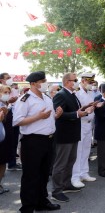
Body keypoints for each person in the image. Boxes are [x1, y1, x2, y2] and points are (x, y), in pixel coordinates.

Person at [12, 71, 63, 212]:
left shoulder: (46, 98)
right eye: (42, 80)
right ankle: (27, 207)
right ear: (33, 84)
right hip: (32, 142)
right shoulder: (25, 99)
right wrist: (38, 117)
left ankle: (41, 202)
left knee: (44, 174)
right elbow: (17, 121)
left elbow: (49, 118)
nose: (45, 83)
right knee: (31, 175)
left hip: (48, 140)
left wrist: (56, 116)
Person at [51, 73, 94, 203]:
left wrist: (85, 109)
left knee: (71, 160)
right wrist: (77, 114)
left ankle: (66, 184)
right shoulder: (61, 94)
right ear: (67, 82)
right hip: (64, 134)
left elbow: (75, 110)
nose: (76, 82)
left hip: (74, 133)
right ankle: (56, 191)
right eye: (74, 80)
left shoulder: (72, 94)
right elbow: (58, 114)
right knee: (61, 164)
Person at [71, 73, 97, 189]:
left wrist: (94, 106)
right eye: (89, 82)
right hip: (80, 123)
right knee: (78, 151)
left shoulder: (90, 92)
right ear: (83, 81)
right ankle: (75, 177)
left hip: (88, 124)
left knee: (86, 149)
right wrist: (87, 107)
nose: (91, 84)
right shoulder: (77, 92)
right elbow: (76, 109)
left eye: (92, 82)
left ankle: (84, 172)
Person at [0, 85, 13, 195]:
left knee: (3, 162)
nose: (7, 94)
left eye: (8, 92)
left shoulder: (6, 105)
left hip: (5, 138)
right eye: (5, 92)